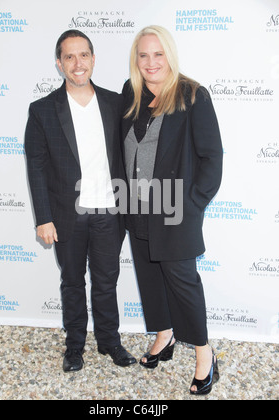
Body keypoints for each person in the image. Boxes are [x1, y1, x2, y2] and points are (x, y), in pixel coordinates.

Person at [25, 30, 136, 373]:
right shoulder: (43, 110)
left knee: (106, 280)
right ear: (59, 63)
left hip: (109, 212)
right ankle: (75, 346)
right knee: (72, 280)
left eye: (83, 55)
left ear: (93, 59)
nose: (77, 63)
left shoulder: (115, 103)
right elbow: (37, 167)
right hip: (66, 215)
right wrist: (43, 217)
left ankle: (109, 342)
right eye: (69, 57)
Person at [122, 26, 223, 395]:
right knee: (150, 278)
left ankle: (204, 353)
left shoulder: (192, 95)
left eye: (158, 54)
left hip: (176, 210)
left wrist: (193, 205)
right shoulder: (130, 94)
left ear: (170, 55)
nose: (151, 63)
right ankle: (164, 335)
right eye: (144, 55)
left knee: (183, 284)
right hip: (136, 208)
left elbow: (212, 157)